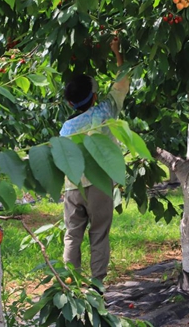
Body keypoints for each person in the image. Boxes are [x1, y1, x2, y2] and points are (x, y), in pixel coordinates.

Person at [60, 37, 130, 283]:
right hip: (99, 184)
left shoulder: (66, 128)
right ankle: (97, 286)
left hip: (72, 186)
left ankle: (70, 285)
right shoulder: (105, 111)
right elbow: (122, 82)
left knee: (72, 234)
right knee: (99, 234)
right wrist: (116, 51)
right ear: (94, 95)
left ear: (70, 103)